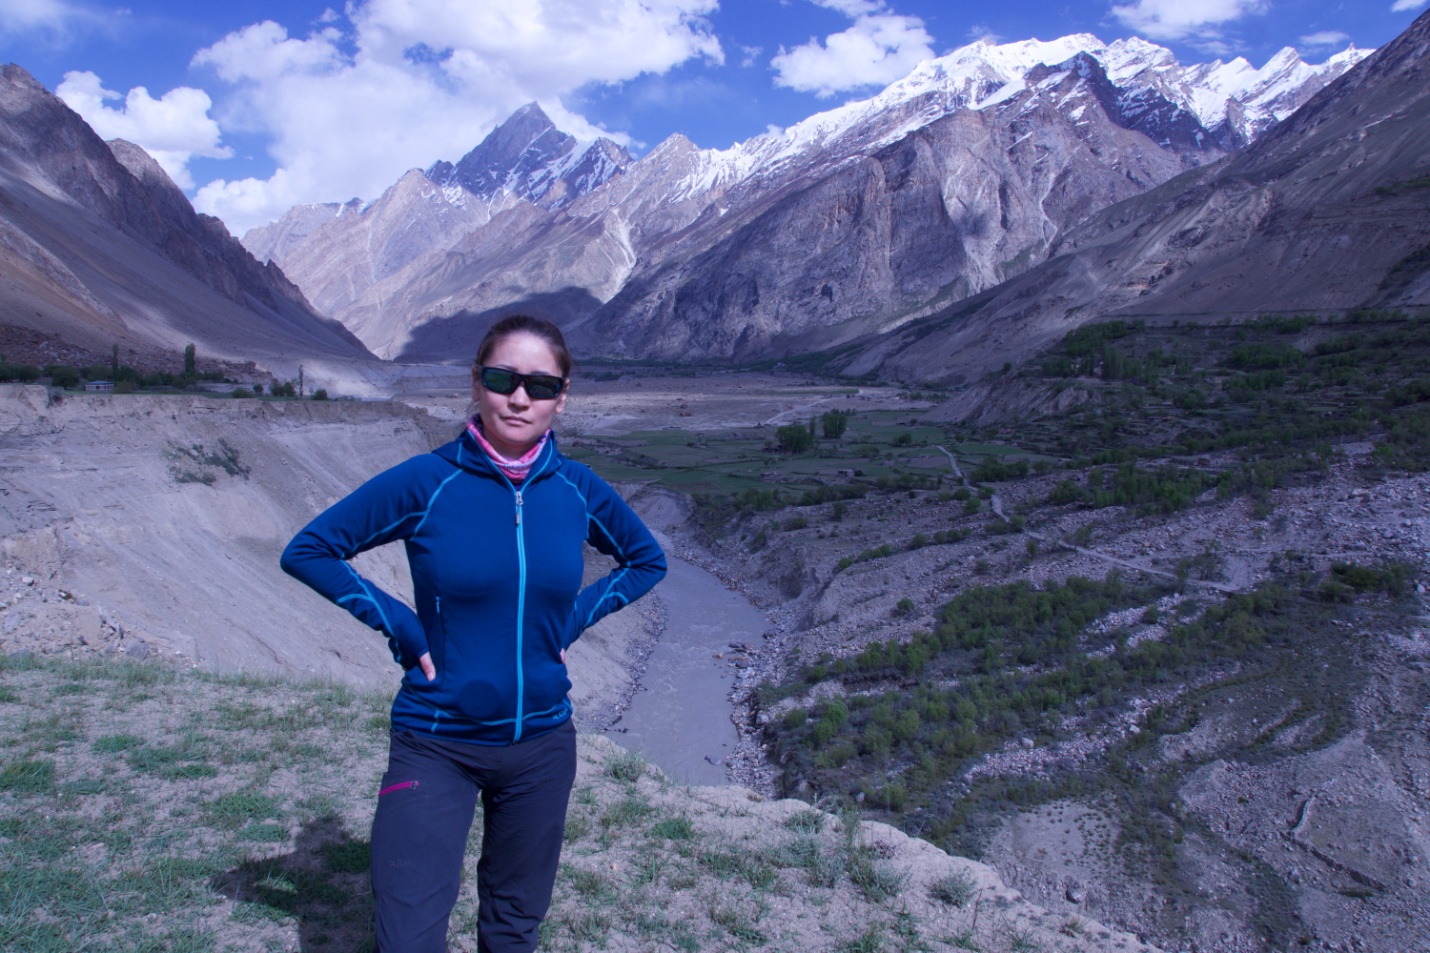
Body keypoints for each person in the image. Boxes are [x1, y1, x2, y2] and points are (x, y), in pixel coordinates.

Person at [280, 315, 666, 953]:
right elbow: (310, 550)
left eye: (541, 385)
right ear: (476, 382)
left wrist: (573, 619)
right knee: (407, 939)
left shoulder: (578, 489)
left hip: (542, 745)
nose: (520, 398)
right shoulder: (427, 481)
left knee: (513, 931)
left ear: (562, 397)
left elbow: (646, 560)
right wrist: (399, 624)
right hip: (437, 741)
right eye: (502, 379)